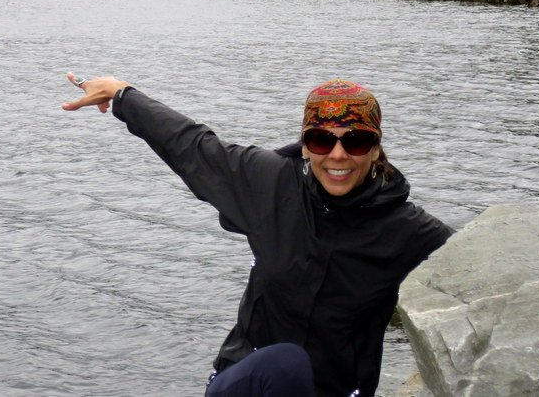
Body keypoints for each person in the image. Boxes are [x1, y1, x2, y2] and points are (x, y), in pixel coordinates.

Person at [61, 73, 452, 397]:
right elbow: (192, 145)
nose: (337, 155)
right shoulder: (271, 183)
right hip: (249, 381)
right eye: (321, 140)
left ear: (375, 149)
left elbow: (474, 272)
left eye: (356, 141)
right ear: (305, 147)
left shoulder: (407, 230)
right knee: (286, 363)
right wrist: (123, 95)